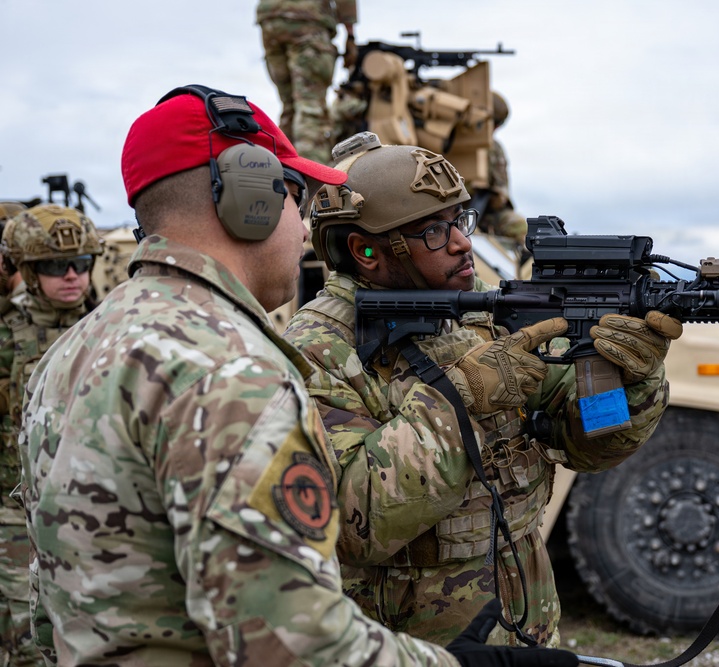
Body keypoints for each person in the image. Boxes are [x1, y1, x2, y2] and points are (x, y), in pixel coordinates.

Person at [18, 85, 577, 667]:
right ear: (249, 197)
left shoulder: (78, 348)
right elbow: (290, 642)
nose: (308, 228)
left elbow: (46, 613)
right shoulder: (230, 369)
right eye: (295, 197)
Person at [281, 131, 682, 646]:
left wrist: (634, 382)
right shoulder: (316, 350)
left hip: (526, 629)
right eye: (432, 232)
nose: (461, 242)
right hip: (411, 648)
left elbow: (589, 444)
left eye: (459, 221)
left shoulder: (475, 318)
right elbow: (352, 523)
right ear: (365, 251)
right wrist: (460, 399)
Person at [0, 202, 102, 667]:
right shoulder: (6, 335)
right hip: (13, 514)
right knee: (24, 639)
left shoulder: (110, 328)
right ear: (25, 268)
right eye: (53, 266)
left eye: (81, 264)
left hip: (96, 512)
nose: (71, 275)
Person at [257, 0, 358, 164]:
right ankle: (312, 180)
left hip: (270, 19)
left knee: (289, 105)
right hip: (308, 18)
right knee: (310, 106)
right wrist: (350, 33)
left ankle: (283, 171)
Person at [475, 92, 528, 245]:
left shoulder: (495, 149)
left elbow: (501, 196)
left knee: (520, 228)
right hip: (450, 212)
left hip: (484, 213)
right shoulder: (447, 143)